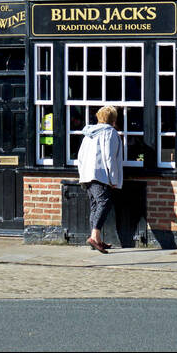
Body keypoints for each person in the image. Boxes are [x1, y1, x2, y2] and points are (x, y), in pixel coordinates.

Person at [76, 105, 123, 253]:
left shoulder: (89, 134)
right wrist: (114, 179)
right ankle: (94, 236)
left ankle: (97, 240)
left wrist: (82, 173)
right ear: (113, 119)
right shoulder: (110, 133)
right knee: (104, 202)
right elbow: (110, 158)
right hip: (100, 174)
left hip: (87, 174)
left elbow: (80, 156)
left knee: (95, 206)